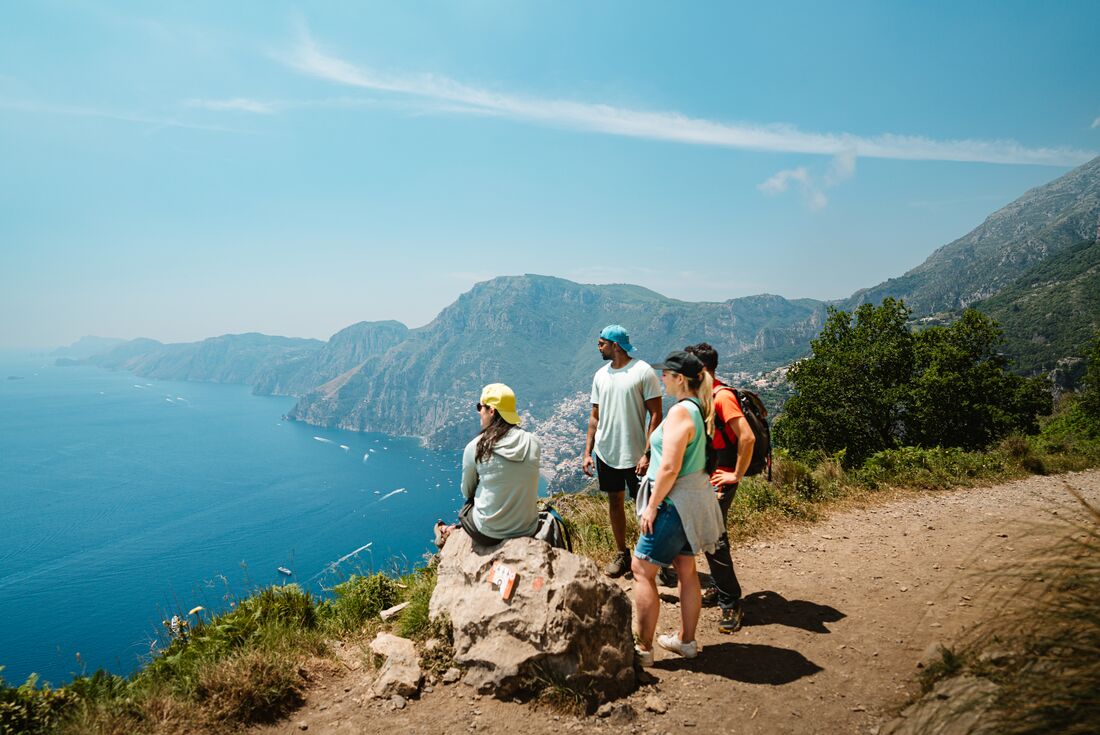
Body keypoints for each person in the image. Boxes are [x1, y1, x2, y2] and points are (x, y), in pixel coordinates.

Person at [631, 351, 725, 665]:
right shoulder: (698, 408)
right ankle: (686, 641)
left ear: (680, 379)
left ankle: (642, 650)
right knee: (686, 571)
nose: (662, 379)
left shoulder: (681, 413)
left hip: (673, 502)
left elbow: (670, 467)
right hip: (693, 500)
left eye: (666, 375)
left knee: (642, 570)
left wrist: (652, 506)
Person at [685, 342, 755, 633]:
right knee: (709, 536)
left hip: (721, 478)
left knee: (714, 539)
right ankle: (720, 587)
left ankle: (731, 603)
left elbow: (746, 437)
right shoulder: (705, 394)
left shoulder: (722, 396)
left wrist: (735, 475)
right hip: (710, 476)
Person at [582, 325, 663, 577]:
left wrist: (648, 453)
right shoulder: (600, 375)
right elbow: (594, 417)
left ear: (615, 345)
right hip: (606, 452)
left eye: (601, 343)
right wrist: (587, 452)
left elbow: (656, 414)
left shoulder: (642, 372)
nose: (598, 347)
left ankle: (653, 557)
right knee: (614, 501)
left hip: (637, 453)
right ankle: (622, 554)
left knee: (647, 507)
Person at [435, 383, 540, 548]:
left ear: (491, 410)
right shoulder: (533, 442)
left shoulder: (476, 447)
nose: (479, 412)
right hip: (528, 529)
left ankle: (451, 531)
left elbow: (467, 491)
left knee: (468, 507)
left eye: (480, 407)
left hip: (489, 535)